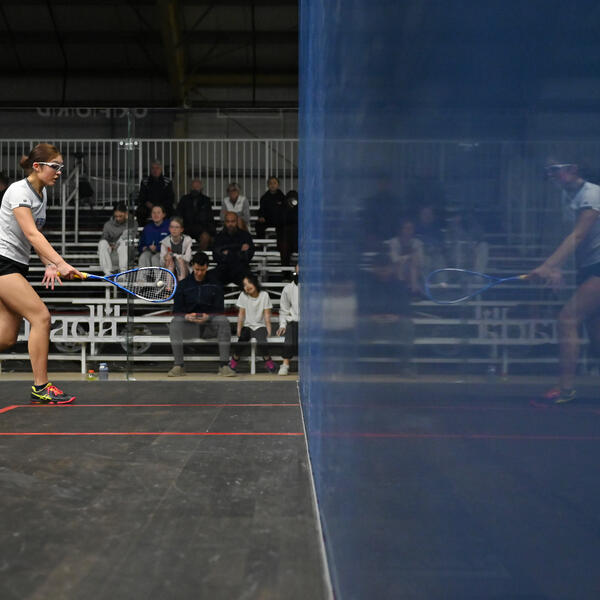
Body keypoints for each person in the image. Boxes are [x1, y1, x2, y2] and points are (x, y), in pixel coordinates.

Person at [0, 143, 82, 403]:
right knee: (41, 317)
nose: (59, 172)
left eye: (61, 167)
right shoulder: (18, 191)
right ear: (37, 167)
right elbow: (32, 233)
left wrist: (48, 263)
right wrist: (61, 263)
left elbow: (37, 238)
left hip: (16, 265)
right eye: (55, 167)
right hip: (2, 263)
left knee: (5, 338)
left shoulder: (42, 194)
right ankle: (41, 387)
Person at [529, 160, 600, 404]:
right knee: (596, 336)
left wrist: (550, 265)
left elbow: (578, 235)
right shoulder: (568, 200)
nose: (551, 175)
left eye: (555, 170)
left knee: (567, 319)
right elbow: (571, 240)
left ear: (573, 170)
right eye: (548, 171)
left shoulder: (593, 194)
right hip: (588, 267)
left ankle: (565, 389)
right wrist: (558, 269)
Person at [168, 252, 236, 377]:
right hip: (189, 326)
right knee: (175, 323)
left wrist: (208, 316)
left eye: (203, 270)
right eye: (197, 269)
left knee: (223, 321)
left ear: (207, 267)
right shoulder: (183, 285)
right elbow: (177, 310)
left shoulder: (215, 284)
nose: (199, 273)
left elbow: (220, 309)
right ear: (192, 266)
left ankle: (224, 366)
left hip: (209, 325)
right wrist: (186, 316)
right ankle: (179, 366)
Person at [229, 273, 276, 374]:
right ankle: (234, 360)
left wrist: (268, 328)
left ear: (255, 282)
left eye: (249, 283)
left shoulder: (264, 295)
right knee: (242, 338)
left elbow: (267, 314)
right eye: (244, 285)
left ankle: (268, 360)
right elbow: (241, 314)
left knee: (262, 341)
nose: (247, 287)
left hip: (260, 325)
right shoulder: (243, 295)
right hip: (247, 326)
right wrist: (238, 329)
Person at [212, 211, 255, 286]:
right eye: (228, 221)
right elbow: (216, 256)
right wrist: (239, 250)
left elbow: (249, 255)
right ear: (225, 222)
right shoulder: (219, 237)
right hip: (223, 270)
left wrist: (227, 253)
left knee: (251, 280)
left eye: (233, 221)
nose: (230, 224)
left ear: (237, 221)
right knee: (211, 278)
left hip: (240, 269)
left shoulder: (245, 235)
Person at [176, 178, 216, 250]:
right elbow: (178, 214)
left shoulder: (206, 200)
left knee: (205, 237)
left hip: (201, 228)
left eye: (197, 187)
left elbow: (210, 217)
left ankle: (199, 256)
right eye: (193, 187)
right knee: (179, 237)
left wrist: (212, 233)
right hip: (186, 228)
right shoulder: (184, 199)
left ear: (201, 188)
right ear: (190, 188)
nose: (195, 188)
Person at [388, 218, 425, 296]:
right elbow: (394, 259)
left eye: (411, 228)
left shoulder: (418, 243)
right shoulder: (393, 242)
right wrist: (407, 257)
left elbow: (421, 261)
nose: (409, 230)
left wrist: (408, 258)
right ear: (400, 229)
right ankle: (402, 288)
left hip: (414, 270)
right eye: (406, 228)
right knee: (401, 263)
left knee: (414, 261)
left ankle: (413, 289)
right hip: (397, 269)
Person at [136, 160, 175, 226]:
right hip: (148, 208)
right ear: (150, 170)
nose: (155, 170)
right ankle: (143, 230)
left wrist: (159, 206)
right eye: (153, 168)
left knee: (172, 212)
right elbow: (141, 197)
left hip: (163, 207)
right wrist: (147, 203)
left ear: (161, 169)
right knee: (140, 211)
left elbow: (170, 198)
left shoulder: (167, 182)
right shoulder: (145, 181)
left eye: (157, 168)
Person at [276, 264, 299, 375]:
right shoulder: (288, 288)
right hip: (294, 321)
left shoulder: (316, 285)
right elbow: (284, 310)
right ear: (295, 270)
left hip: (311, 323)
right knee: (289, 332)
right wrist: (282, 325)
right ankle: (285, 364)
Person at [98, 202, 129, 276]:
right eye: (116, 216)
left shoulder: (132, 223)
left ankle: (123, 273)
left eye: (120, 216)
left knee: (124, 242)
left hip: (126, 254)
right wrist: (110, 244)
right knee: (102, 243)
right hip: (111, 253)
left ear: (126, 214)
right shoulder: (108, 224)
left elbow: (131, 236)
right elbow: (104, 238)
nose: (118, 218)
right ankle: (108, 273)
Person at [160, 216, 193, 281]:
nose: (174, 230)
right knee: (169, 261)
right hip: (169, 268)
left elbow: (188, 258)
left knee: (179, 261)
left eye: (177, 227)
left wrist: (174, 255)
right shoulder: (165, 242)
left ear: (181, 229)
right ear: (169, 229)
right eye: (172, 227)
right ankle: (168, 288)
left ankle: (181, 285)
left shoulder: (188, 240)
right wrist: (165, 257)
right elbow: (161, 263)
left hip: (184, 268)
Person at [138, 204, 170, 269]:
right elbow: (140, 246)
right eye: (153, 213)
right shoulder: (147, 228)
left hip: (163, 252)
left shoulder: (169, 226)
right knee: (143, 257)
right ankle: (142, 279)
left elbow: (171, 244)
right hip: (149, 251)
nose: (156, 215)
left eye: (158, 212)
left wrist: (157, 248)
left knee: (155, 258)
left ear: (163, 215)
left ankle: (157, 279)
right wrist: (145, 247)